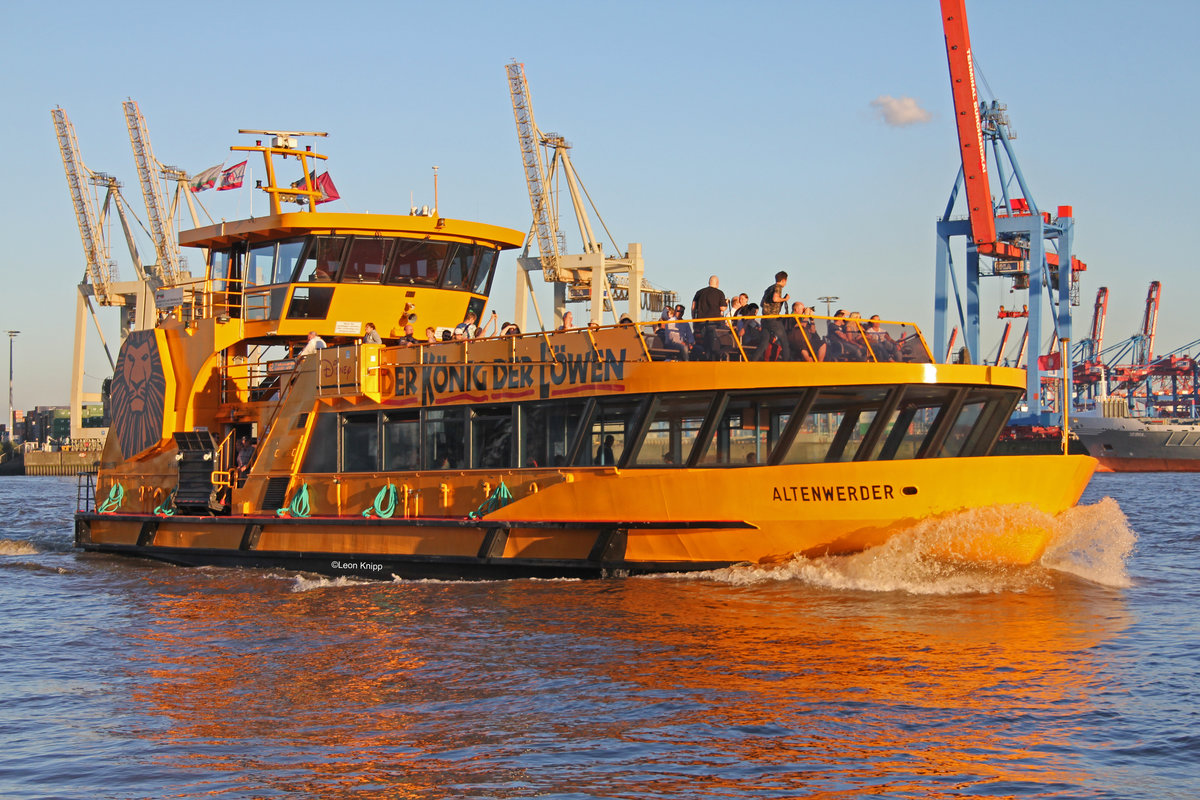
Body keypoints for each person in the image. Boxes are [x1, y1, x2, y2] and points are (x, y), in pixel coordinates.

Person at [754, 270, 791, 361]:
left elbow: (762, 304)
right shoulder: (778, 287)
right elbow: (775, 298)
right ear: (783, 280)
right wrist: (784, 299)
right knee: (784, 341)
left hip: (764, 318)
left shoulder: (768, 289)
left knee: (764, 343)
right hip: (773, 319)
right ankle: (787, 363)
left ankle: (752, 361)